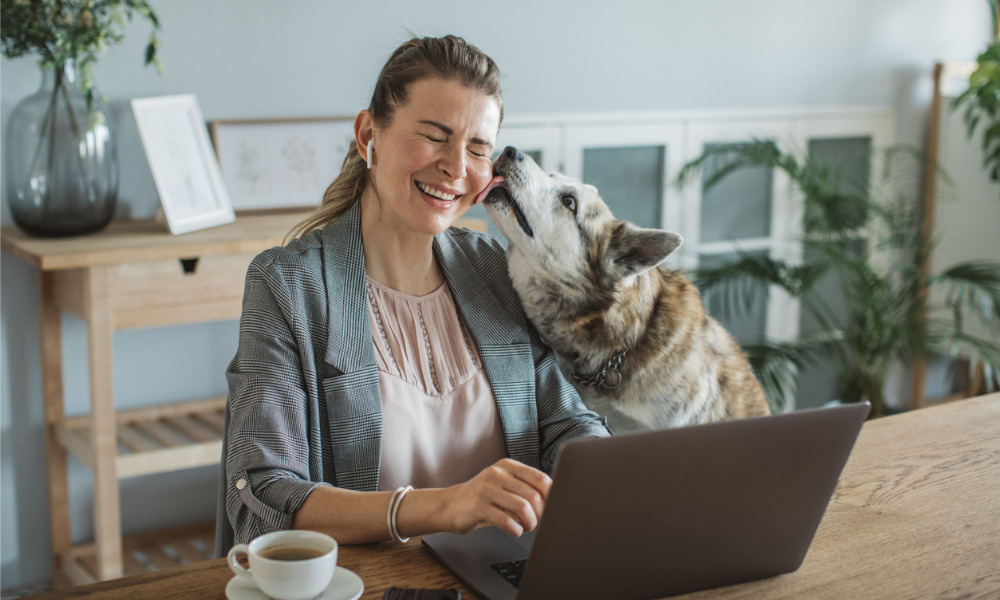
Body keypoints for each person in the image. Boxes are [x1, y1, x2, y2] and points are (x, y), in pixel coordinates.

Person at [215, 34, 610, 555]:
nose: (455, 167)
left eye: (477, 149)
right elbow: (263, 498)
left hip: (502, 577)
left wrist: (608, 473)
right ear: (367, 135)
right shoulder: (288, 286)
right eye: (434, 136)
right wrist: (442, 506)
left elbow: (565, 423)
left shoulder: (496, 269)